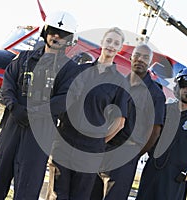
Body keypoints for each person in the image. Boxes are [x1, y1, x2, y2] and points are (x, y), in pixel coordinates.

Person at [0, 11, 79, 200]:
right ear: (45, 32)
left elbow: (64, 98)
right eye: (52, 30)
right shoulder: (23, 58)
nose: (56, 36)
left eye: (62, 33)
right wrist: (15, 108)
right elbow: (8, 84)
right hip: (12, 126)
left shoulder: (69, 70)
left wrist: (34, 113)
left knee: (27, 188)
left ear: (69, 39)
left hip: (39, 135)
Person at [49, 27, 129, 200]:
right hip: (64, 142)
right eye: (108, 41)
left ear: (120, 48)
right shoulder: (79, 70)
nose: (111, 45)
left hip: (90, 151)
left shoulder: (120, 82)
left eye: (116, 43)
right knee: (57, 195)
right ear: (102, 42)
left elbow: (119, 122)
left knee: (80, 196)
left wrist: (98, 141)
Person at [90, 44, 166, 200]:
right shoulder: (117, 84)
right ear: (131, 58)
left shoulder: (155, 95)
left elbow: (155, 132)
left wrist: (135, 154)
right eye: (137, 55)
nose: (140, 60)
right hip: (103, 149)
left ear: (150, 62)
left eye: (145, 57)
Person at [135, 67, 187, 200]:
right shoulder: (164, 110)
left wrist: (182, 165)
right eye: (185, 86)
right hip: (152, 172)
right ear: (178, 87)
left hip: (175, 180)